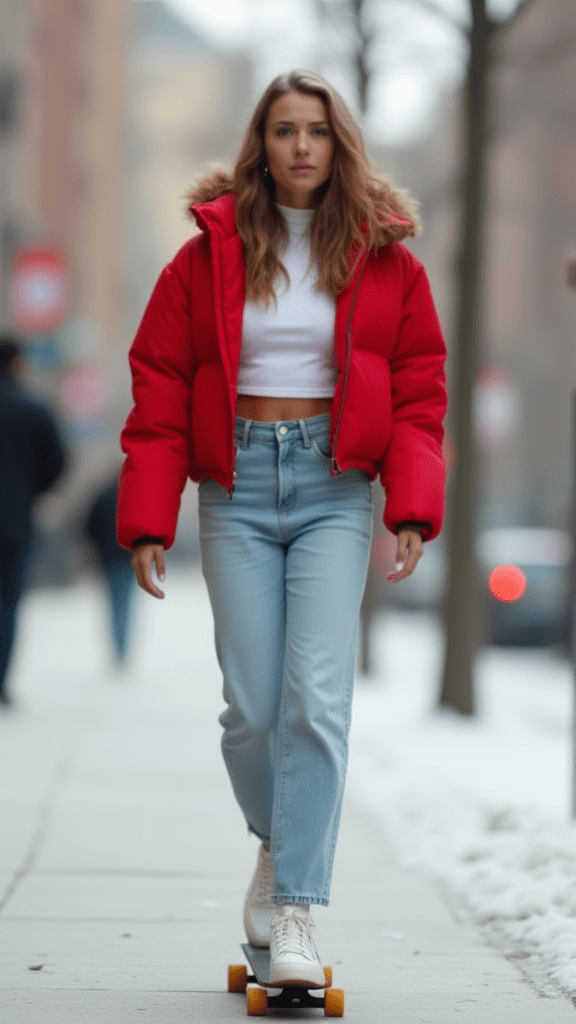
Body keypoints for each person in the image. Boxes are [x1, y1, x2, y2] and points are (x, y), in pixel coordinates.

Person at [117, 70, 447, 986]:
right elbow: (160, 384)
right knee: (252, 708)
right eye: (283, 131)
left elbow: (420, 388)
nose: (301, 147)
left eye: (317, 132)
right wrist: (149, 514)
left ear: (340, 146)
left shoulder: (388, 261)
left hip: (336, 487)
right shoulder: (207, 256)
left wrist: (411, 505)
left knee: (316, 699)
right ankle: (274, 841)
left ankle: (296, 910)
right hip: (237, 488)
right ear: (259, 145)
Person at [0, 336, 67, 706]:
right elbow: (58, 461)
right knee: (9, 605)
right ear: (18, 364)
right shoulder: (33, 410)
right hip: (14, 522)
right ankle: (1, 682)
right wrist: (31, 491)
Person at [84, 475, 136, 666]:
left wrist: (98, 549)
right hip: (129, 559)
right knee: (126, 604)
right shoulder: (134, 497)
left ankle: (117, 647)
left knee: (113, 604)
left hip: (108, 560)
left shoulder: (102, 496)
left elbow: (88, 526)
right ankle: (122, 648)